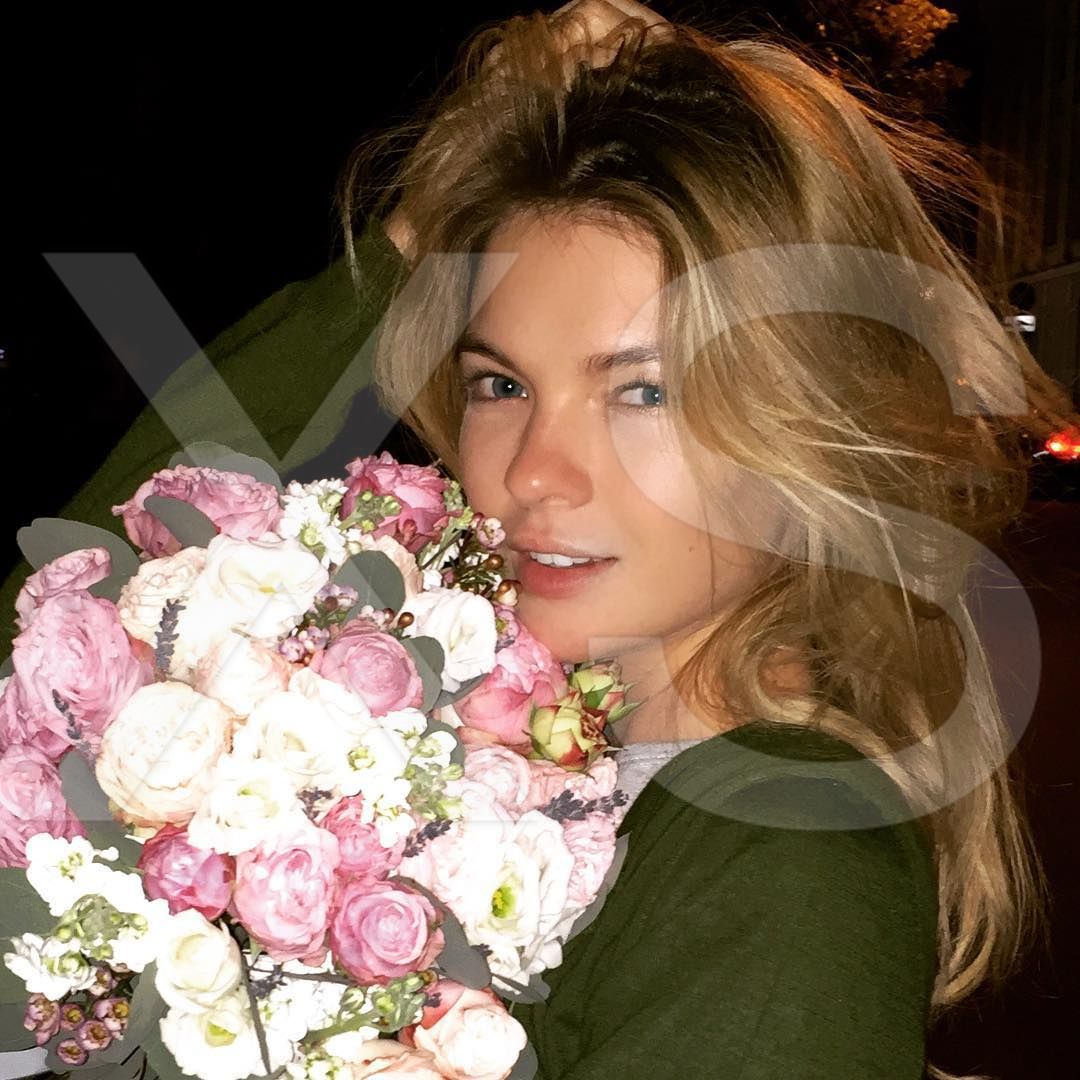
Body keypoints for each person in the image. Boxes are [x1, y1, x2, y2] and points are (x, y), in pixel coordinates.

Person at [0, 3, 1076, 1079]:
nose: (532, 474)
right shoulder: (458, 751)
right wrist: (417, 235)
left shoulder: (784, 857)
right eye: (501, 384)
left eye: (645, 390)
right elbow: (56, 626)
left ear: (808, 415)